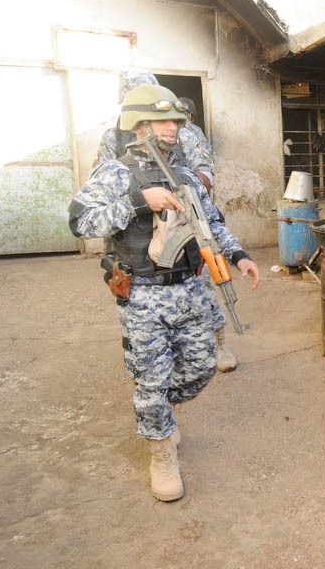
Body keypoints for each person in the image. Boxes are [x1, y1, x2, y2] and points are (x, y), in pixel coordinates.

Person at [68, 84, 259, 501]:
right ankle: (161, 451)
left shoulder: (186, 173)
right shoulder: (116, 172)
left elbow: (212, 222)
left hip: (190, 289)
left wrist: (240, 255)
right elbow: (81, 223)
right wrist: (140, 202)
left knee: (201, 366)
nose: (173, 127)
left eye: (175, 120)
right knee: (151, 380)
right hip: (142, 296)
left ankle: (161, 416)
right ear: (138, 125)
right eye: (163, 119)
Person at [178, 95, 238, 373]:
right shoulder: (117, 139)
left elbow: (206, 175)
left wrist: (182, 185)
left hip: (187, 218)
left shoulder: (187, 136)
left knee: (202, 283)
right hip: (145, 231)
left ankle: (219, 344)